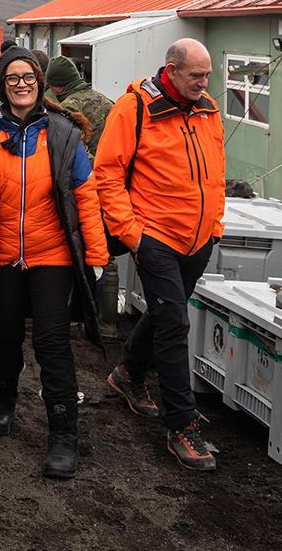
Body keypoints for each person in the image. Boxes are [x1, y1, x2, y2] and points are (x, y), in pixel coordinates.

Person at [0, 47, 109, 479]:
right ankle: (2, 401)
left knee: (51, 342)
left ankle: (63, 434)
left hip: (53, 255)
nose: (21, 84)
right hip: (3, 254)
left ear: (40, 83)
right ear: (1, 85)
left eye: (28, 77)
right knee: (2, 336)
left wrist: (96, 255)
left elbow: (86, 195)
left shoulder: (64, 134)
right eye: (12, 78)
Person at [94, 38, 225, 472]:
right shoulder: (134, 109)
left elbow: (217, 170)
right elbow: (107, 174)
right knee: (175, 323)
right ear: (171, 69)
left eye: (208, 76)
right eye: (196, 76)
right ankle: (182, 425)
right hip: (156, 238)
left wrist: (216, 225)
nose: (204, 84)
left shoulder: (207, 109)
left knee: (167, 310)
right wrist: (132, 235)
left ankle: (128, 374)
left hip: (199, 239)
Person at [46, 56, 113, 155]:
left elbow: (75, 146)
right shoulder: (104, 99)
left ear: (58, 87)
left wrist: (93, 168)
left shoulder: (68, 106)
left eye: (50, 86)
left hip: (94, 167)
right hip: (115, 164)